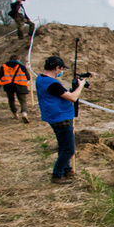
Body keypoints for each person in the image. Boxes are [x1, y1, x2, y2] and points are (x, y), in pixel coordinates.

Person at [35, 56, 86, 184]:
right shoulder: (52, 84)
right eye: (61, 69)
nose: (61, 71)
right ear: (57, 68)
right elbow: (73, 97)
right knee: (69, 149)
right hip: (61, 117)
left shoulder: (41, 79)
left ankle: (67, 169)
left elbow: (59, 94)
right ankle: (57, 175)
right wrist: (81, 86)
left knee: (63, 145)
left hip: (54, 115)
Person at [0, 54, 32, 123]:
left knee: (11, 100)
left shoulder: (4, 66)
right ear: (18, 59)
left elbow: (0, 77)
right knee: (23, 101)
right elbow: (28, 77)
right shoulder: (21, 66)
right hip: (20, 85)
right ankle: (24, 113)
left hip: (8, 85)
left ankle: (15, 114)